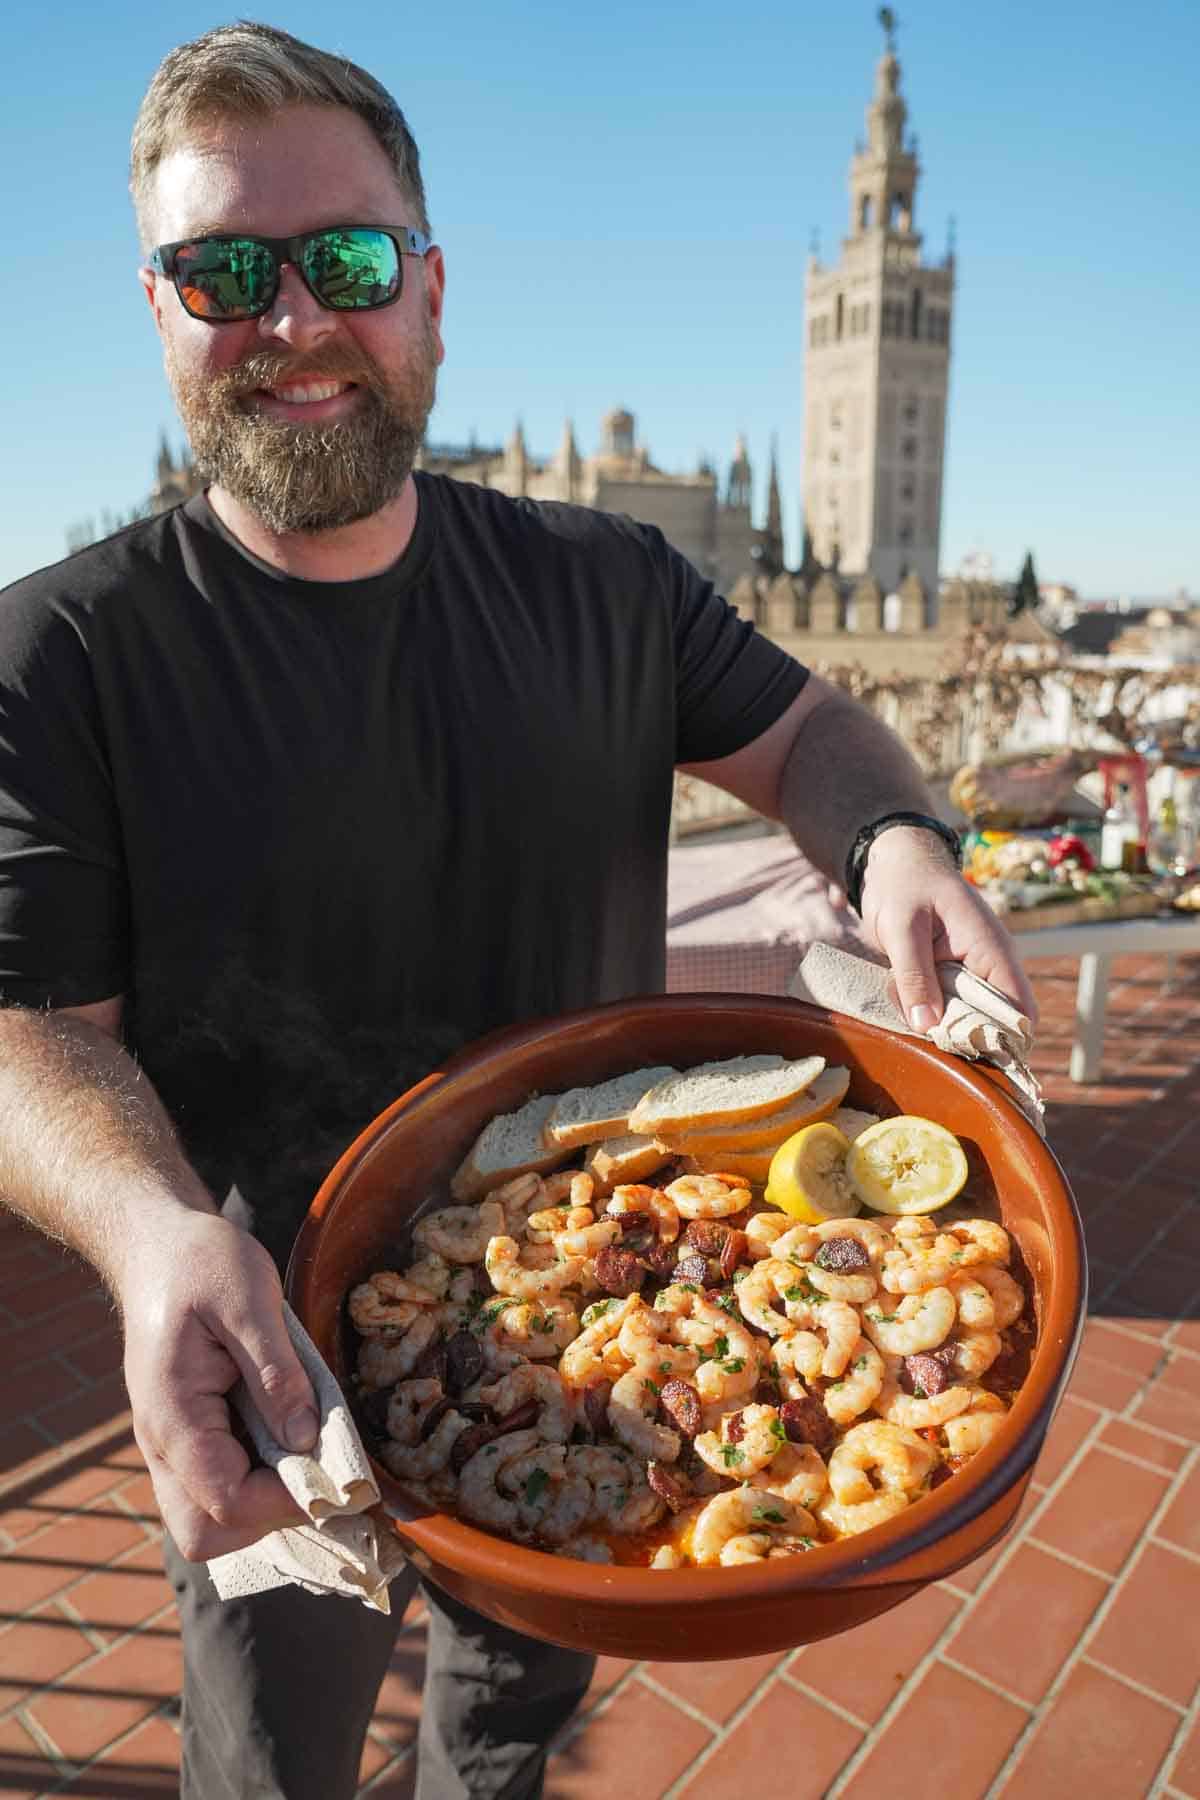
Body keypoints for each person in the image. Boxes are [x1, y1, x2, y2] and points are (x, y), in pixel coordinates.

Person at [0, 21, 1035, 1799]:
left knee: (505, 1740)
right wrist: (153, 1236)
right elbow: (22, 1023)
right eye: (224, 270)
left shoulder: (609, 580)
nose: (295, 319)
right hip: (268, 1369)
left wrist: (896, 849)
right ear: (159, 307)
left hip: (604, 1331)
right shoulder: (58, 653)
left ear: (431, 287)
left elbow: (808, 732)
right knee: (273, 1764)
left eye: (346, 260)